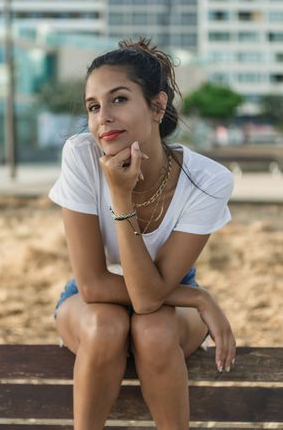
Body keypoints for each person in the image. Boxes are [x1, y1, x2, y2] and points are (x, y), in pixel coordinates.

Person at [49, 38, 236, 430]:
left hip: (167, 301)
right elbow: (93, 285)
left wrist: (120, 196)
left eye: (118, 99)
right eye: (93, 106)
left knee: (152, 329)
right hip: (99, 297)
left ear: (157, 106)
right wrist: (198, 297)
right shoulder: (81, 155)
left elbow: (151, 298)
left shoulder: (207, 180)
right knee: (105, 326)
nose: (103, 117)